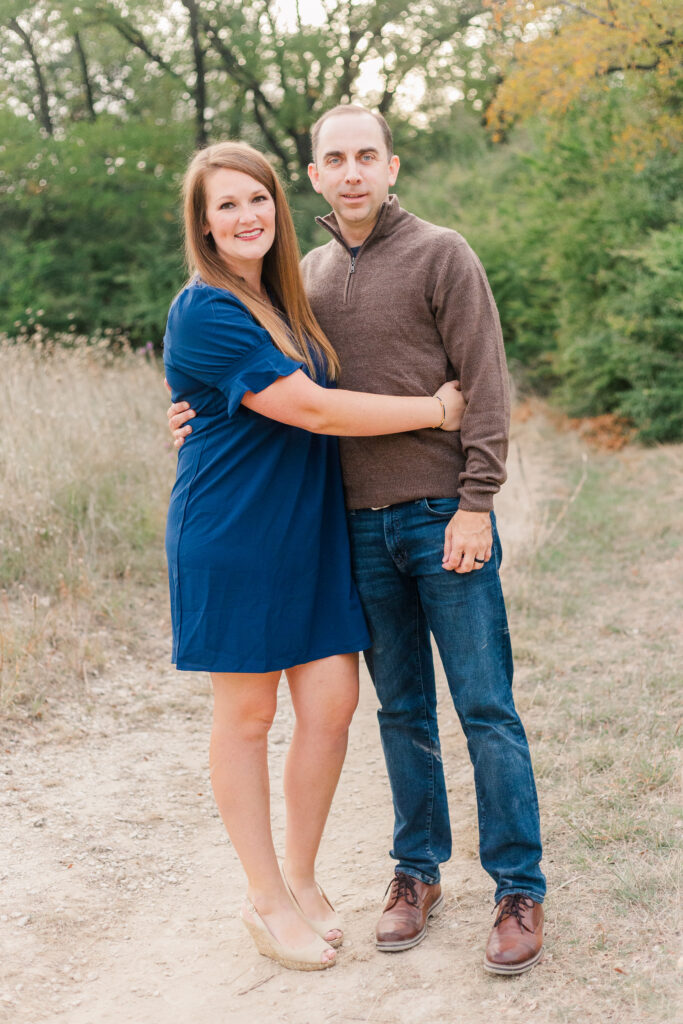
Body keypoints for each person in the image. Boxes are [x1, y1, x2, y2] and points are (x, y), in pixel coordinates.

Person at [169, 109, 546, 976]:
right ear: (314, 175)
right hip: (315, 532)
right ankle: (397, 877)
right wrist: (190, 409)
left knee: (473, 707)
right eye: (333, 158)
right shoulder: (279, 285)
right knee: (380, 709)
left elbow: (485, 383)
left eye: (364, 156)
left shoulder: (423, 257)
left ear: (390, 164)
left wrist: (476, 500)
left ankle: (516, 887)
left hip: (418, 520)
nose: (350, 172)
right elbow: (298, 405)